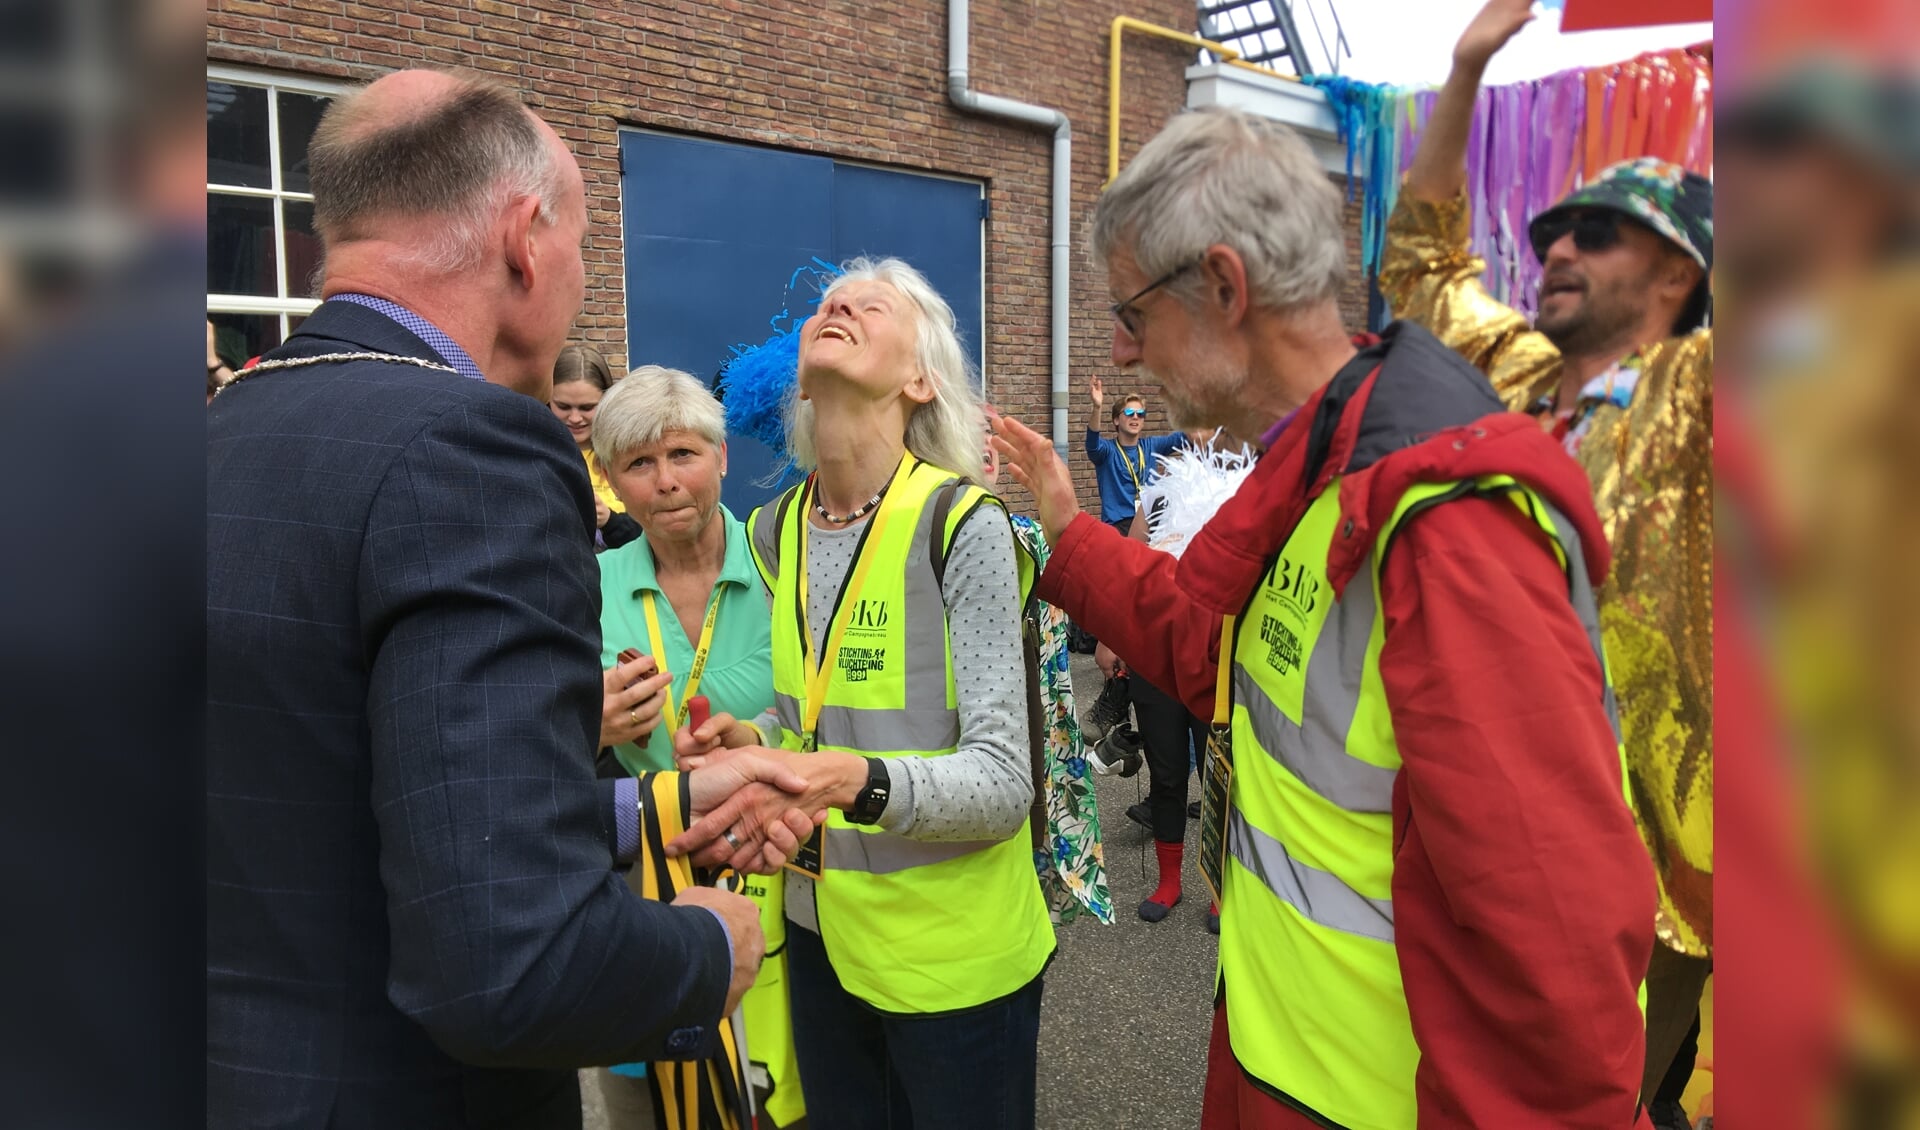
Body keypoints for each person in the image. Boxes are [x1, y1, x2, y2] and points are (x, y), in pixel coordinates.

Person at [992, 105, 1655, 1128]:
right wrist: (1070, 529)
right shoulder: (1322, 459)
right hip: (1274, 1060)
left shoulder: (1449, 525)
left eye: (1134, 315)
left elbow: (1556, 938)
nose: (1124, 357)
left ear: (1222, 285)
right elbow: (1211, 644)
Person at [206, 69, 817, 1130]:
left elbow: (333, 790)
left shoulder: (210, 436)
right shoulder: (473, 446)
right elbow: (510, 960)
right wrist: (709, 945)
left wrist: (641, 811)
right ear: (528, 236)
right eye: (582, 244)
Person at [1380, 1, 1713, 1119]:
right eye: (1551, 233)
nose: (1556, 249)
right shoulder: (1519, 380)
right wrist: (1469, 66)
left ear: (1679, 272)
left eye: (1597, 233)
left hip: (1675, 860)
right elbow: (1423, 271)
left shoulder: (1711, 387)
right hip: (1515, 817)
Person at [675, 257, 1055, 1130]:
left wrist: (853, 781)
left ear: (920, 379)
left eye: (869, 306)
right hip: (821, 942)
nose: (837, 305)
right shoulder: (775, 532)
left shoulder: (966, 525)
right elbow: (813, 711)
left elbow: (1004, 784)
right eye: (826, 304)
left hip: (956, 963)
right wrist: (753, 736)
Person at [588, 364, 806, 1129]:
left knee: (777, 1097)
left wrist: (757, 738)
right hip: (644, 879)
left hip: (774, 870)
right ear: (612, 479)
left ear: (720, 457)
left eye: (683, 454)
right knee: (648, 1102)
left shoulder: (786, 569)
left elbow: (825, 719)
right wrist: (593, 722)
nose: (666, 482)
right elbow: (533, 743)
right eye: (639, 464)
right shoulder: (588, 584)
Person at [985, 420, 1113, 926]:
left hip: (1034, 696)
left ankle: (1038, 898)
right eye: (966, 431)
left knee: (1039, 793)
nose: (983, 446)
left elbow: (1094, 581)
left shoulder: (1031, 533)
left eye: (986, 434)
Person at [551, 341, 644, 549]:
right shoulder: (535, 450)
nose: (575, 418)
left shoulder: (626, 452)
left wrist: (609, 520)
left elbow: (649, 532)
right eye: (563, 406)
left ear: (607, 402)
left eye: (587, 408)